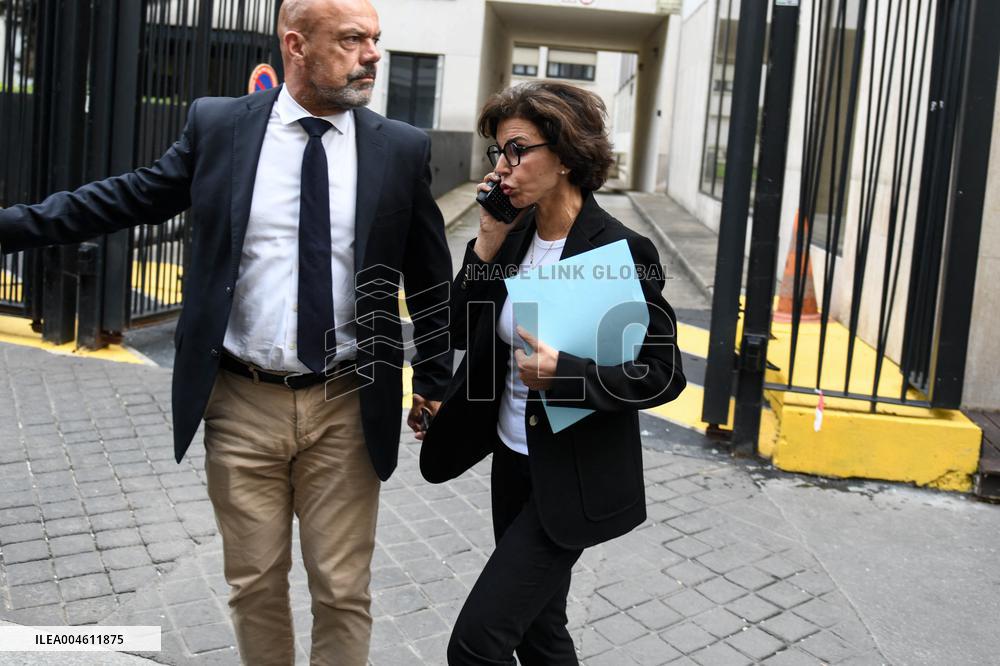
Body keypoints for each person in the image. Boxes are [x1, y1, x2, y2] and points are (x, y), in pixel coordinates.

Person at [0, 0, 452, 663]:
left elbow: (430, 279)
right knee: (253, 582)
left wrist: (436, 380)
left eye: (376, 39)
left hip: (347, 405)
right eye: (354, 39)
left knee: (342, 587)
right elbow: (129, 195)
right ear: (296, 46)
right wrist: (12, 223)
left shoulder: (401, 148)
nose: (374, 55)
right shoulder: (221, 128)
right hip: (241, 402)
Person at [417, 81, 686, 665]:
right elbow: (459, 331)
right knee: (541, 630)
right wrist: (486, 242)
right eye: (497, 152)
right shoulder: (510, 240)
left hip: (574, 474)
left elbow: (662, 373)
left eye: (517, 150)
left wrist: (565, 375)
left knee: (476, 644)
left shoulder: (619, 249)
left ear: (564, 156)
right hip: (513, 462)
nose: (502, 167)